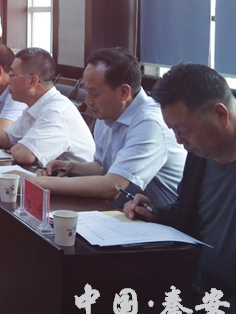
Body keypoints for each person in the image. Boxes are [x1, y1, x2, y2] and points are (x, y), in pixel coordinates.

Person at [124, 63, 236, 314]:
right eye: (174, 131)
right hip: (200, 290)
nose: (179, 141)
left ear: (221, 114)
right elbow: (193, 216)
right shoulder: (202, 150)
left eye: (184, 130)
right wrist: (155, 215)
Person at [32, 48, 185, 208]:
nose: (88, 100)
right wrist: (72, 167)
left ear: (123, 92)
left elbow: (115, 186)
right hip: (129, 210)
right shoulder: (108, 112)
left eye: (94, 93)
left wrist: (38, 182)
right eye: (86, 91)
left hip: (163, 218)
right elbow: (104, 167)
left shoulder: (150, 123)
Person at [0, 47, 95, 166]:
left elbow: (24, 154)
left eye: (12, 75)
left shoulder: (56, 112)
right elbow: (8, 138)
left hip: (72, 180)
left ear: (32, 82)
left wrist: (16, 146)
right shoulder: (34, 106)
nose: (9, 80)